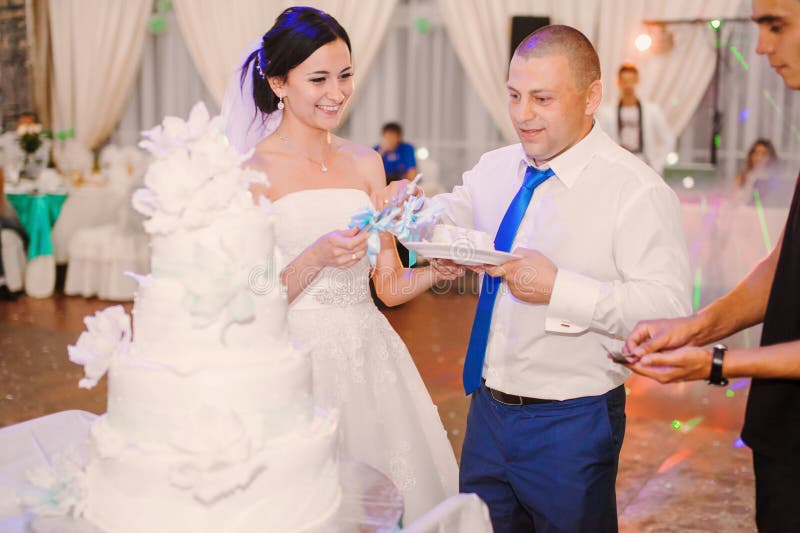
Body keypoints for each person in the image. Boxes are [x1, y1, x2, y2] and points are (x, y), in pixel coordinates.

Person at [426, 25, 692, 532]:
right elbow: (450, 214)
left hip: (573, 421)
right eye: (514, 95)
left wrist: (558, 289)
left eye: (542, 98)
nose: (522, 114)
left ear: (591, 97)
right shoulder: (496, 168)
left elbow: (670, 310)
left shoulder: (635, 190)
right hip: (486, 411)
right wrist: (416, 216)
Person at [223, 6, 459, 522]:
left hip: (371, 357)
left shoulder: (366, 162)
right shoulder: (250, 173)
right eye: (319, 79)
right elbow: (248, 300)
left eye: (345, 75)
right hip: (296, 365)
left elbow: (389, 286)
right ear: (278, 83)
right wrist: (315, 257)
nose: (337, 92)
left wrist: (436, 270)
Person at [623, 1, 800, 531]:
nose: (761, 46)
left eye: (776, 25)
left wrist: (717, 364)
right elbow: (783, 266)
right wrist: (695, 328)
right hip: (783, 430)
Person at [597, 63, 675, 175]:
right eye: (624, 81)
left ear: (637, 81)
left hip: (646, 167)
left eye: (631, 80)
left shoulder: (652, 111)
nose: (628, 85)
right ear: (618, 82)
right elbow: (601, 141)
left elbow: (668, 140)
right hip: (618, 168)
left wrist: (657, 166)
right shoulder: (606, 113)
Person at [374, 122, 417, 267]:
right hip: (383, 192)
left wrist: (404, 191)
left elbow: (411, 174)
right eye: (388, 136)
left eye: (393, 136)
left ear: (399, 137)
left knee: (406, 227)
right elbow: (372, 176)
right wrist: (382, 151)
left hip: (401, 191)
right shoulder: (376, 151)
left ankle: (409, 263)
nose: (391, 139)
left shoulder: (406, 149)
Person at [732, 138, 779, 205]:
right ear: (751, 155)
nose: (759, 157)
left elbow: (768, 203)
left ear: (770, 157)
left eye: (763, 154)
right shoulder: (741, 177)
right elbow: (733, 200)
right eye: (756, 153)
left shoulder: (772, 180)